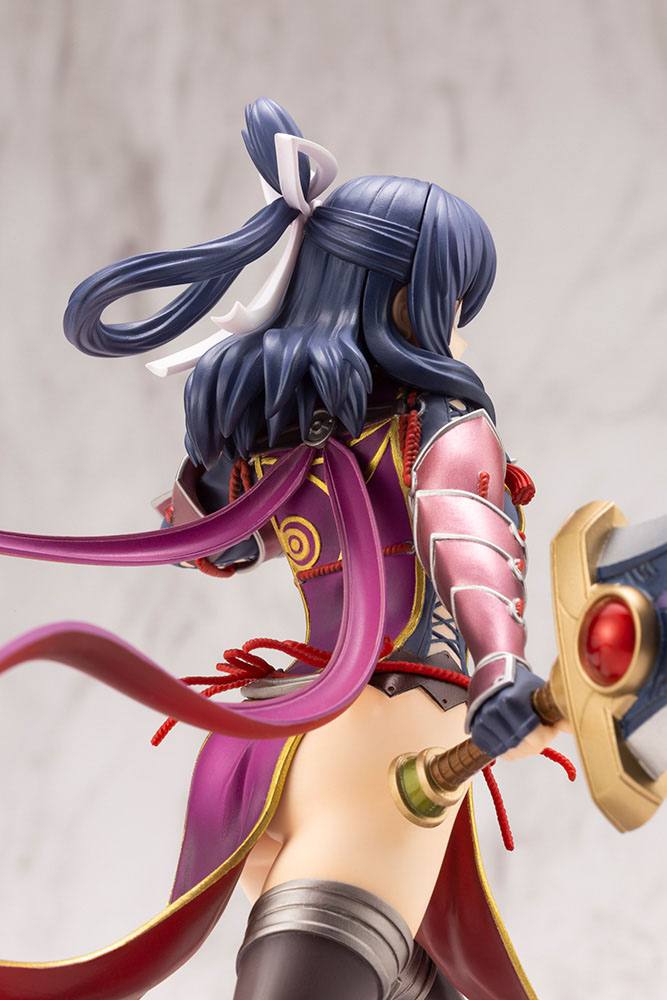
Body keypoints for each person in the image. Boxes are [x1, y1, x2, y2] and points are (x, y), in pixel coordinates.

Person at [0, 98, 569, 1000]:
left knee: (397, 976)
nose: (459, 330)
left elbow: (211, 550)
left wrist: (220, 451)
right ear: (411, 302)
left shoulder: (294, 430)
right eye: (456, 304)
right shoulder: (440, 427)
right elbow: (471, 544)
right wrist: (501, 669)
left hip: (278, 742)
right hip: (391, 743)